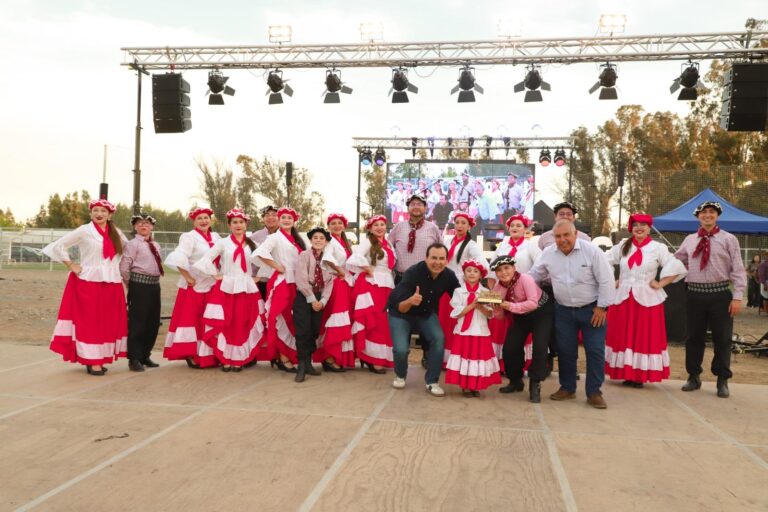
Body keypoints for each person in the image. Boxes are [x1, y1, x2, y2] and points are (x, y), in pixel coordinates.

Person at [529, 220, 615, 409]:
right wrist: (516, 286)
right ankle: (567, 388)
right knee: (566, 351)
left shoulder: (592, 251)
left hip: (592, 310)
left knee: (595, 351)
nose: (562, 240)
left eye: (566, 235)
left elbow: (607, 280)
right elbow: (533, 275)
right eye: (558, 236)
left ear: (575, 234)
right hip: (563, 310)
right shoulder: (548, 253)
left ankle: (594, 392)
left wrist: (602, 307)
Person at [42, 199, 128, 376]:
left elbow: (127, 250)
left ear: (110, 214)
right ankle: (92, 360)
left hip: (111, 283)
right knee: (90, 321)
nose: (99, 214)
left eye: (103, 211)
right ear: (90, 213)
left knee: (107, 321)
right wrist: (71, 265)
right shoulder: (84, 230)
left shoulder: (116, 232)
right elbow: (58, 246)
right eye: (96, 210)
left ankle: (100, 356)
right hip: (88, 281)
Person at [674, 201, 747, 398]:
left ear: (717, 215)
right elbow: (676, 260)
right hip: (695, 294)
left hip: (720, 295)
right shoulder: (690, 239)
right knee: (693, 337)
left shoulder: (729, 239)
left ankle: (722, 380)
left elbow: (738, 269)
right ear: (698, 216)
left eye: (711, 212)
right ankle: (693, 376)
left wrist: (738, 297)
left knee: (722, 338)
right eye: (703, 212)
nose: (707, 215)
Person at [604, 214, 687, 387]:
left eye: (643, 225)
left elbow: (675, 266)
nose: (639, 228)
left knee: (643, 337)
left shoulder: (658, 248)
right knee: (623, 336)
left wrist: (661, 283)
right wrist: (613, 281)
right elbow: (603, 261)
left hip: (647, 300)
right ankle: (625, 373)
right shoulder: (622, 246)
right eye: (635, 225)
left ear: (649, 228)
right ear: (630, 228)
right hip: (623, 299)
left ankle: (639, 375)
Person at [194, 208, 267, 372]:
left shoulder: (254, 244)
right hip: (226, 286)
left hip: (246, 287)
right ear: (229, 225)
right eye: (235, 222)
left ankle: (238, 359)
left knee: (242, 322)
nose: (238, 225)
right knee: (226, 322)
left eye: (241, 222)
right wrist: (215, 275)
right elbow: (206, 260)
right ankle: (225, 358)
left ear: (246, 224)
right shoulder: (222, 243)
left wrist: (259, 277)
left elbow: (268, 261)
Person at [387, 243, 461, 397]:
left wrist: (481, 297)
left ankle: (432, 381)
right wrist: (411, 301)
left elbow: (461, 297)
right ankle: (400, 375)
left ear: (446, 260)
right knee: (401, 349)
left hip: (425, 313)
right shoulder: (413, 273)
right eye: (433, 258)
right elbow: (400, 306)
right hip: (401, 312)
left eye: (441, 258)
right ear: (426, 258)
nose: (437, 262)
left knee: (438, 339)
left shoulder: (448, 275)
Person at [163, 206, 221, 369]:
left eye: (206, 218)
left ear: (211, 220)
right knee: (192, 319)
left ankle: (208, 353)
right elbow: (179, 256)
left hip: (211, 284)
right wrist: (188, 277)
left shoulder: (216, 237)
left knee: (208, 319)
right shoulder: (189, 237)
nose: (203, 221)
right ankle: (192, 353)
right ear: (194, 222)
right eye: (199, 218)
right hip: (195, 285)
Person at [490, 255, 552, 403]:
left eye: (506, 268)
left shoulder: (526, 279)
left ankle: (535, 383)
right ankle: (515, 381)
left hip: (541, 312)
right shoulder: (497, 288)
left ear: (514, 268)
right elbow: (499, 317)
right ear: (496, 274)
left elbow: (532, 304)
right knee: (510, 348)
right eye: (499, 270)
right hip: (520, 316)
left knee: (540, 346)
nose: (503, 272)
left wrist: (509, 306)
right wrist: (497, 308)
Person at [256, 207, 307, 372]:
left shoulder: (297, 239)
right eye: (283, 217)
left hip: (296, 283)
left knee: (292, 320)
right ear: (279, 219)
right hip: (282, 282)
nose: (286, 220)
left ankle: (287, 355)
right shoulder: (275, 237)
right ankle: (283, 357)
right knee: (280, 318)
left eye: (289, 218)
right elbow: (260, 253)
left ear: (294, 221)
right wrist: (276, 266)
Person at [347, 215, 396, 373]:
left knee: (383, 322)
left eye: (382, 224)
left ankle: (377, 357)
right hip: (373, 285)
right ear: (370, 228)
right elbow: (354, 258)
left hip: (386, 285)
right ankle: (371, 357)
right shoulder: (368, 241)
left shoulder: (387, 243)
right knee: (374, 320)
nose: (380, 227)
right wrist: (366, 268)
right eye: (376, 225)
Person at [439, 212, 488, 365]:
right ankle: (444, 358)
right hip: (444, 284)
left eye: (463, 223)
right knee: (445, 322)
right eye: (457, 222)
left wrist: (469, 275)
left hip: (460, 288)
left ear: (469, 227)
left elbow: (482, 264)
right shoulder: (447, 241)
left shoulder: (472, 246)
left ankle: (456, 358)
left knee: (456, 321)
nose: (459, 226)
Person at [444, 260, 500, 397]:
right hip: (463, 331)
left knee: (477, 358)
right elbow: (456, 313)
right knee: (465, 357)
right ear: (464, 274)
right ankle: (465, 386)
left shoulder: (486, 292)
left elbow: (490, 314)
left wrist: (481, 306)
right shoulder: (458, 291)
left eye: (476, 271)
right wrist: (472, 304)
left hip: (480, 331)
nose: (472, 273)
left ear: (481, 275)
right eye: (469, 270)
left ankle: (476, 385)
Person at [119, 213, 163, 372]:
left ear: (152, 227)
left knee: (152, 322)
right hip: (139, 285)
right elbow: (125, 266)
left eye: (147, 223)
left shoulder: (155, 245)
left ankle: (145, 355)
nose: (143, 226)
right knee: (138, 323)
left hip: (154, 285)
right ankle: (134, 358)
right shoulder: (132, 244)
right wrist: (131, 284)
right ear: (135, 227)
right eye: (140, 223)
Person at [293, 227, 336, 382]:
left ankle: (309, 363)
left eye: (322, 238)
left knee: (314, 330)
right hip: (304, 296)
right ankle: (302, 365)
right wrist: (312, 300)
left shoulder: (328, 259)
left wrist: (322, 301)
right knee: (302, 331)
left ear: (326, 242)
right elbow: (301, 279)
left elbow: (330, 282)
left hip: (319, 297)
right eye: (315, 238)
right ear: (311, 240)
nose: (318, 240)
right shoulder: (304, 255)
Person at [315, 213, 356, 370]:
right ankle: (329, 357)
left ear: (344, 226)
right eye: (333, 223)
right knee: (336, 317)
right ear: (328, 226)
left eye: (340, 223)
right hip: (337, 283)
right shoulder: (330, 241)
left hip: (344, 283)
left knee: (341, 317)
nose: (337, 225)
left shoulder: (344, 243)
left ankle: (335, 356)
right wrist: (341, 271)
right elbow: (327, 258)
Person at [388, 193, 442, 284]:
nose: (416, 207)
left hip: (426, 279)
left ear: (425, 208)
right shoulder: (398, 227)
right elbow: (387, 248)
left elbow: (441, 252)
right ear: (407, 209)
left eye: (419, 204)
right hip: (401, 279)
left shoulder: (433, 228)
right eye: (413, 204)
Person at [250, 205, 279, 299]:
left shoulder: (286, 235)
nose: (270, 217)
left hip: (282, 280)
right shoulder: (255, 237)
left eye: (274, 214)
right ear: (263, 218)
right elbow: (249, 259)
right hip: (262, 281)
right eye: (267, 215)